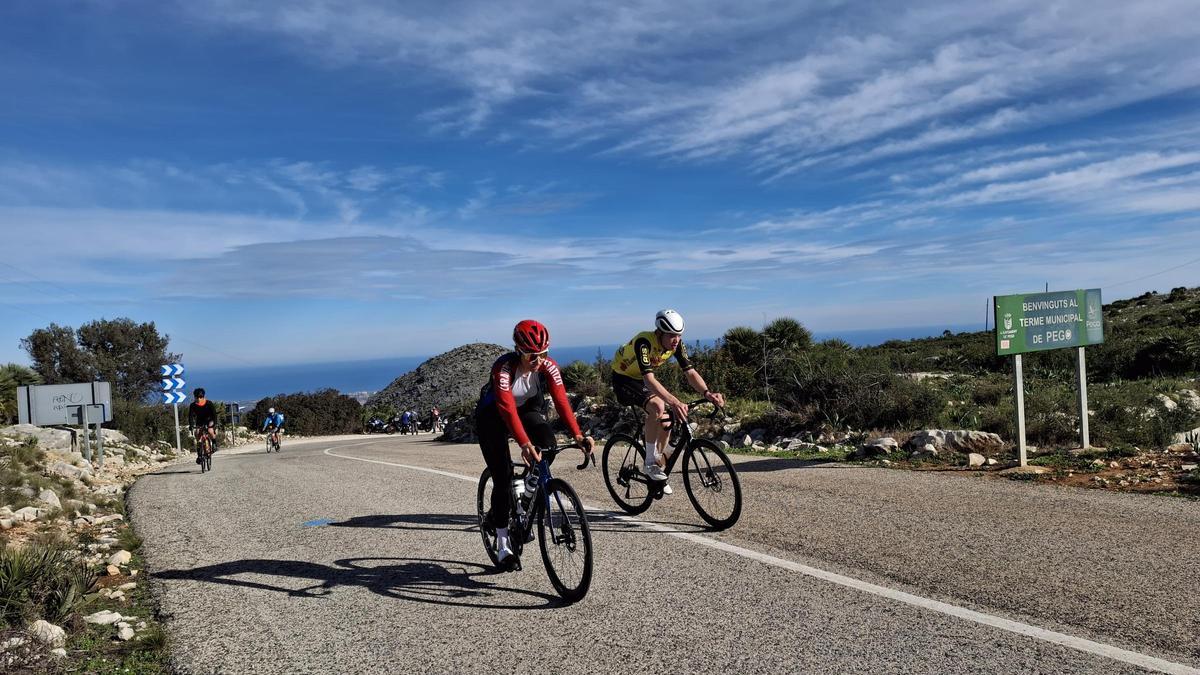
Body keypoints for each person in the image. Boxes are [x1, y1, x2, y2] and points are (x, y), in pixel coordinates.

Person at [477, 319, 595, 569]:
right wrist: (523, 444)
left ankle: (526, 490)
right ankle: (502, 540)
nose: (538, 361)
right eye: (532, 356)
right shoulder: (504, 368)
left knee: (548, 445)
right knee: (502, 476)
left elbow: (562, 401)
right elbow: (507, 410)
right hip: (494, 417)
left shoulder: (548, 366)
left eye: (543, 354)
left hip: (528, 409)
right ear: (519, 351)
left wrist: (578, 435)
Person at [611, 309, 725, 494]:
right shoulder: (644, 342)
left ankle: (658, 465)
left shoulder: (676, 345)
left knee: (667, 422)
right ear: (660, 332)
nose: (676, 340)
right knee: (658, 406)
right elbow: (649, 379)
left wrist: (707, 393)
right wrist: (674, 401)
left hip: (641, 379)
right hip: (623, 379)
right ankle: (650, 463)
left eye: (679, 335)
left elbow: (690, 373)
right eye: (671, 335)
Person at [187, 387, 219, 462]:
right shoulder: (193, 405)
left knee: (210, 430)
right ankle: (199, 455)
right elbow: (190, 416)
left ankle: (214, 443)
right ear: (194, 397)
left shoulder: (209, 403)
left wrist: (214, 424)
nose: (198, 399)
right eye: (197, 397)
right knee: (198, 434)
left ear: (203, 397)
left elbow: (214, 415)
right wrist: (191, 425)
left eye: (200, 397)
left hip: (209, 419)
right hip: (200, 421)